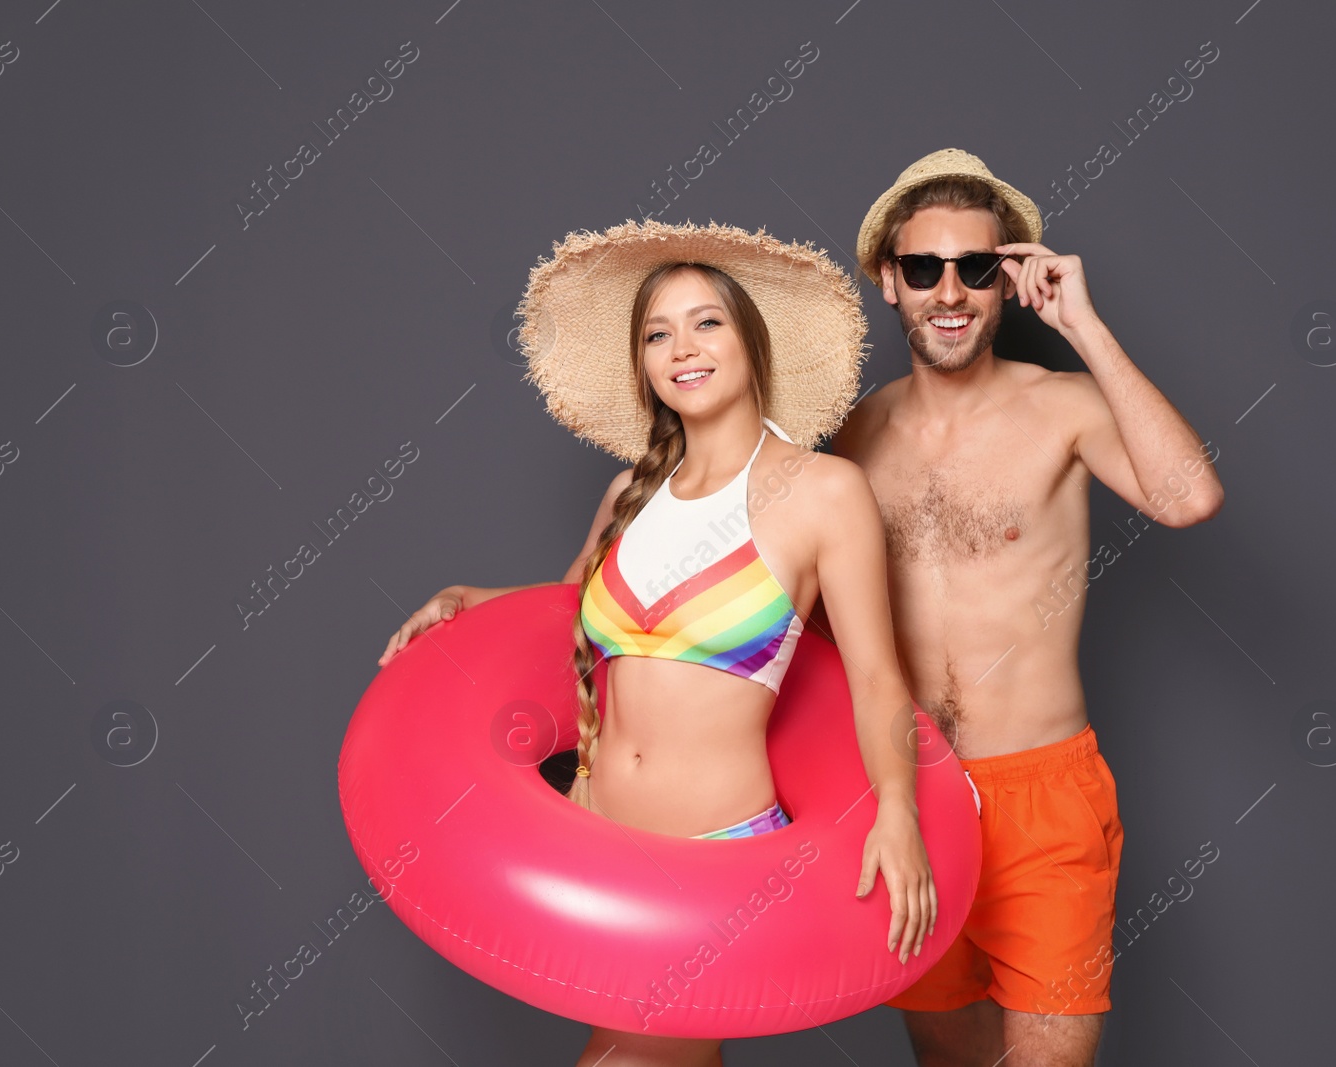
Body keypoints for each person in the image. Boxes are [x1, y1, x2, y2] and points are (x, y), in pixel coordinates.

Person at [377, 219, 940, 1067]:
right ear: (642, 363)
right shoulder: (628, 494)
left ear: (751, 339)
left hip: (710, 864)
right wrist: (469, 598)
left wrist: (897, 808)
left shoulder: (823, 493)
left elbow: (874, 677)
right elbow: (570, 608)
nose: (684, 346)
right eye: (657, 332)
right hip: (594, 837)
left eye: (707, 321)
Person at [828, 149, 1225, 1067]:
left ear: (1008, 281)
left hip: (1043, 797)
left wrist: (1083, 325)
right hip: (912, 801)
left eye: (976, 266)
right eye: (924, 268)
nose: (950, 291)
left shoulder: (1065, 407)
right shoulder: (856, 435)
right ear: (892, 281)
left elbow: (1188, 497)